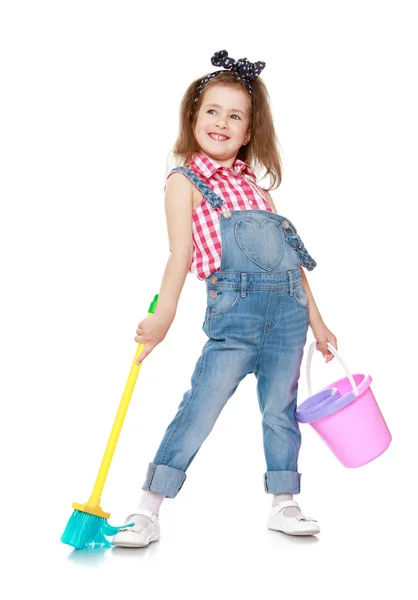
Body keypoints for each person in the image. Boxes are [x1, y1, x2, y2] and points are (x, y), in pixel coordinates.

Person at [112, 50, 337, 548]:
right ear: (193, 117)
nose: (222, 122)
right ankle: (148, 508)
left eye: (235, 116)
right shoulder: (184, 182)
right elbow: (179, 255)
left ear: (249, 132)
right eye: (212, 111)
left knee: (281, 411)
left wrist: (318, 323)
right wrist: (164, 318)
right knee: (201, 406)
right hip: (234, 317)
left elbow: (290, 259)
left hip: (287, 317)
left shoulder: (255, 187)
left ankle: (284, 502)